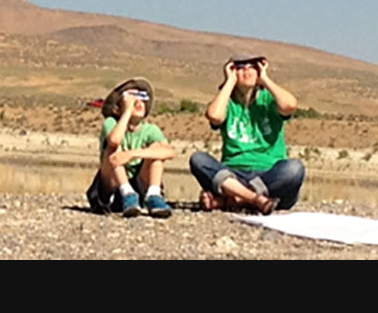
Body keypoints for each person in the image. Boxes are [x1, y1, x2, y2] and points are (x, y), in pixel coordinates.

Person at [189, 53, 305, 214]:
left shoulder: (268, 100)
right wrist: (229, 82)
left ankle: (234, 199)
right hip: (233, 175)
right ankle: (254, 200)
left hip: (270, 176)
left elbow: (290, 105)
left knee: (294, 168)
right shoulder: (227, 104)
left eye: (253, 67)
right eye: (241, 67)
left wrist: (265, 79)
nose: (247, 71)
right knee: (198, 159)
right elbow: (214, 116)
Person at [85, 77, 176, 218]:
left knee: (156, 150)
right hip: (112, 186)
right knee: (113, 149)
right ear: (117, 108)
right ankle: (127, 192)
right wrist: (127, 111)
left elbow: (169, 152)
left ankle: (153, 194)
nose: (138, 102)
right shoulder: (111, 123)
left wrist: (133, 154)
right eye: (132, 98)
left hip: (138, 183)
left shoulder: (150, 130)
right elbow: (114, 141)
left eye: (142, 97)